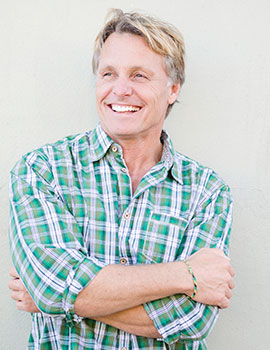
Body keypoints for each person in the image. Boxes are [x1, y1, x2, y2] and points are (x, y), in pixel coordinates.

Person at [8, 8, 235, 350]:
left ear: (172, 89)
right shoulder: (43, 169)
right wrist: (186, 274)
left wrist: (63, 300)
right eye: (109, 73)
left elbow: (192, 321)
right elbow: (52, 287)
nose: (120, 89)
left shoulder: (207, 191)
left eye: (139, 75)